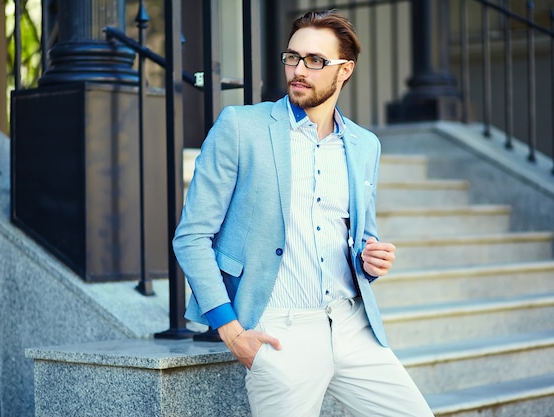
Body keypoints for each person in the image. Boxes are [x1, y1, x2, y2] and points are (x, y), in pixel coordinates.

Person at [173, 9, 434, 417]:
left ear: (344, 70)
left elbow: (360, 234)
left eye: (316, 61)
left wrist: (371, 257)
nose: (299, 70)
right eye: (293, 57)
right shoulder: (241, 127)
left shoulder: (365, 146)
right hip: (280, 330)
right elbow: (191, 236)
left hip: (353, 326)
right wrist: (231, 331)